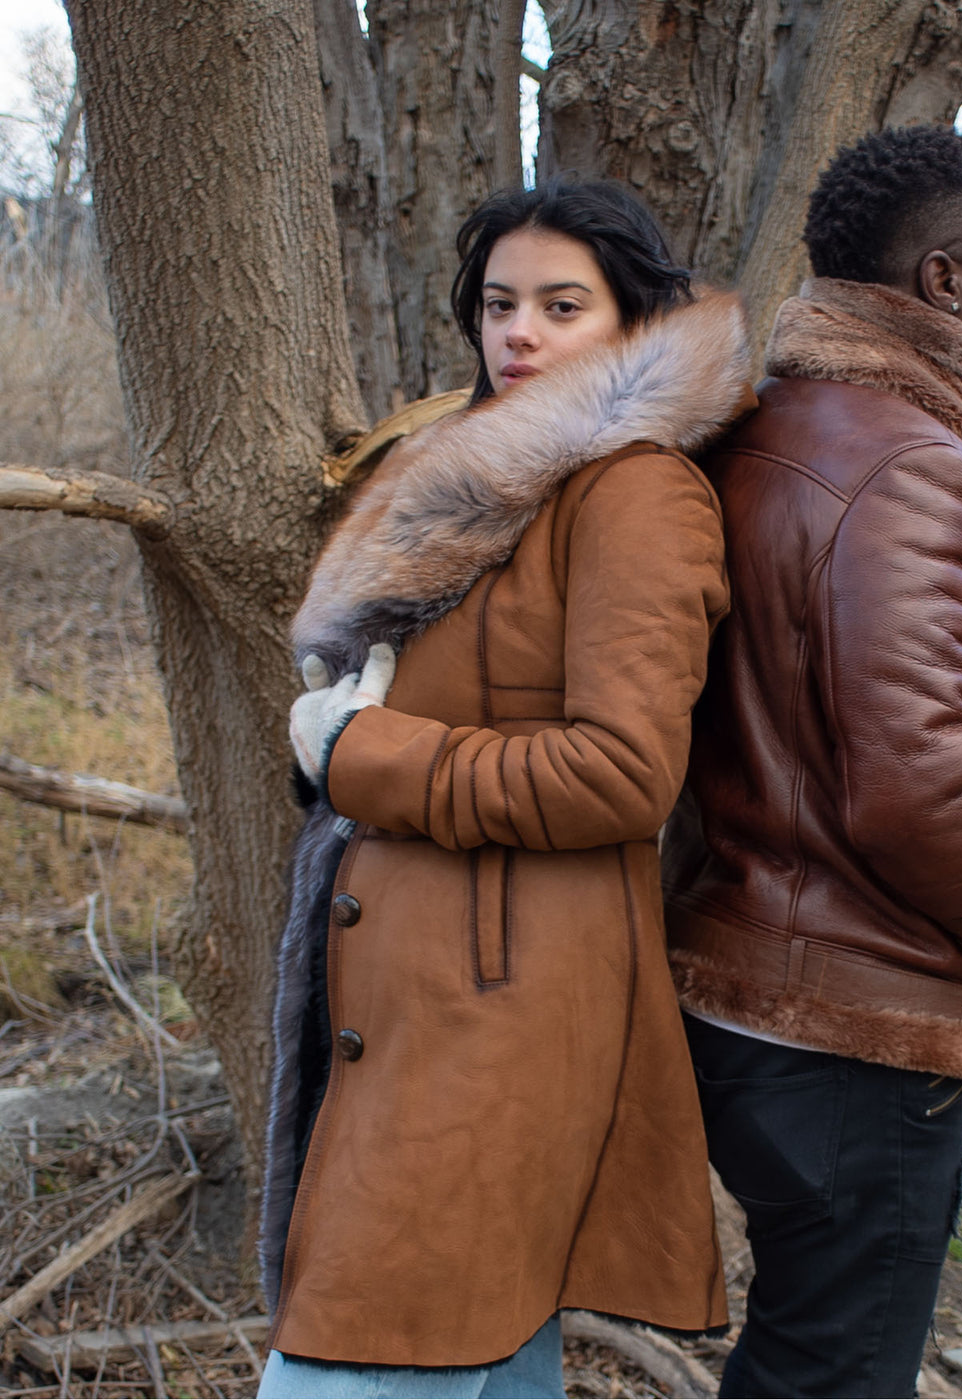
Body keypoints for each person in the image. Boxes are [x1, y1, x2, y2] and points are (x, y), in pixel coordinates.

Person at [257, 178, 753, 1399]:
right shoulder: (473, 485)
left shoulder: (634, 492)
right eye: (496, 303)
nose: (517, 333)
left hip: (505, 1006)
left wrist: (360, 752)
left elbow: (622, 771)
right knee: (475, 1339)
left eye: (558, 304)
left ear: (628, 322)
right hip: (419, 982)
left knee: (362, 1353)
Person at [663, 126, 962, 1398]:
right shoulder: (906, 463)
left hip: (757, 981)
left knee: (806, 1351)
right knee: (836, 1370)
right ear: (944, 283)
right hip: (847, 1023)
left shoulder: (778, 421)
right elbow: (921, 783)